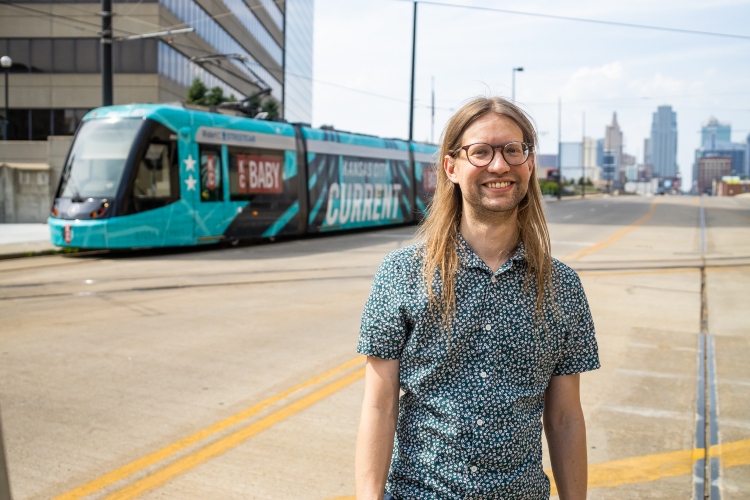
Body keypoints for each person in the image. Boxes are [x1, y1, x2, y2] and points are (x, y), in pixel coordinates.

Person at [354, 97, 600, 499]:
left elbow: (565, 418)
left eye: (512, 150)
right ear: (451, 167)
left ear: (529, 163)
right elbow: (379, 406)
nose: (499, 166)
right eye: (480, 152)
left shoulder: (562, 286)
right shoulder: (400, 273)